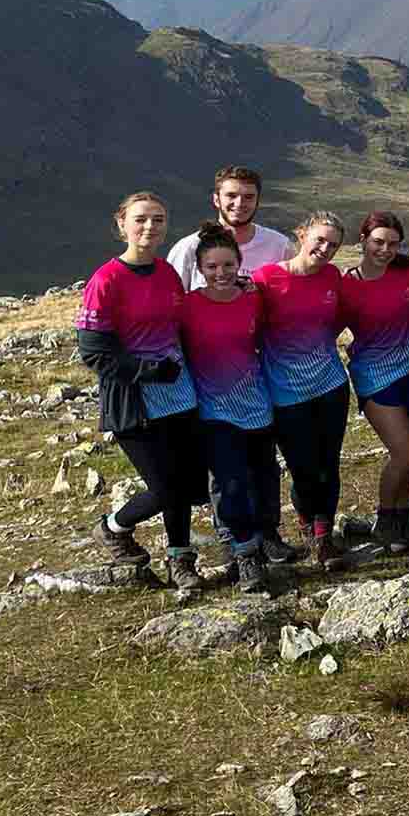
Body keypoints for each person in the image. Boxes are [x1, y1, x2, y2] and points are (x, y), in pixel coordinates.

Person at [76, 192, 207, 592]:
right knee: (168, 487)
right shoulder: (106, 281)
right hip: (135, 402)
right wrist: (148, 371)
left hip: (180, 394)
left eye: (159, 219)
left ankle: (180, 560)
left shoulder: (167, 272)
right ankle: (113, 527)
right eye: (141, 219)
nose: (150, 227)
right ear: (122, 224)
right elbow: (94, 353)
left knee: (188, 483)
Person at [178, 222, 280, 595]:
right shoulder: (187, 307)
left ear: (239, 265)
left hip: (257, 404)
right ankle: (245, 554)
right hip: (213, 410)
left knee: (265, 477)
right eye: (211, 267)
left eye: (227, 266)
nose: (220, 273)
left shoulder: (254, 298)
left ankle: (265, 538)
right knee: (231, 482)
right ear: (199, 270)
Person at [253, 211, 353, 570]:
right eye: (320, 240)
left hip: (330, 384)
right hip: (284, 391)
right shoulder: (266, 279)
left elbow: (338, 318)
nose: (325, 249)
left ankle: (323, 536)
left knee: (328, 463)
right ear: (301, 235)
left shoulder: (332, 276)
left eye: (333, 245)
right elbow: (249, 328)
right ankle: (306, 520)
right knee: (302, 468)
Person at [341, 212, 409, 553]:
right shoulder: (348, 285)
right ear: (363, 240)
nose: (385, 249)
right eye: (378, 241)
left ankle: (404, 517)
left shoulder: (407, 273)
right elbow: (325, 328)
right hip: (374, 376)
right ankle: (385, 520)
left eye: (393, 243)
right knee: (403, 453)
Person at [164, 165, 290, 289]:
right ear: (216, 199)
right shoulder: (189, 248)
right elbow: (170, 299)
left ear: (258, 201)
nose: (240, 203)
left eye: (249, 197)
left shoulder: (280, 246)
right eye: (231, 195)